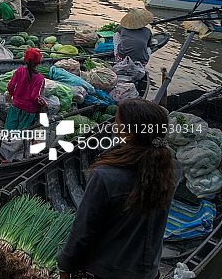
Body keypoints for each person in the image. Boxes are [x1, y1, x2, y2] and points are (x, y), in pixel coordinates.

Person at [57, 99, 178, 279]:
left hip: (104, 272)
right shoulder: (172, 169)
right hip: (148, 272)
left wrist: (64, 267)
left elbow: (83, 232)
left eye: (117, 123)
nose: (114, 127)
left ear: (128, 134)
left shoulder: (105, 176)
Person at [4, 48, 46, 131]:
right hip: (28, 110)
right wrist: (43, 103)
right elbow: (35, 97)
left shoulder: (19, 70)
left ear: (24, 59)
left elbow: (11, 85)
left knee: (9, 129)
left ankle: (5, 143)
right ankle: (18, 144)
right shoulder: (40, 78)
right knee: (22, 132)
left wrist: (11, 93)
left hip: (15, 106)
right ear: (38, 62)